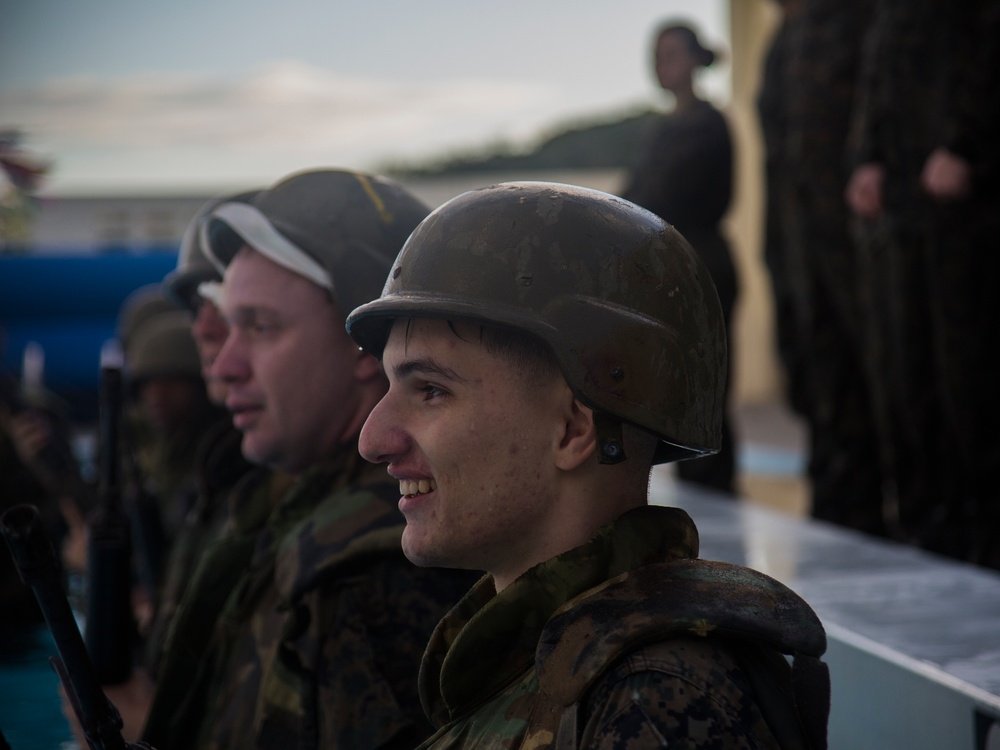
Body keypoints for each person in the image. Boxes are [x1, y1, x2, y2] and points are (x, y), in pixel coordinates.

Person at [348, 182, 830, 749]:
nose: (373, 439)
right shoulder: (543, 666)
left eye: (430, 390)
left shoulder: (656, 703)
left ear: (574, 429)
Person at [140, 168, 478, 750]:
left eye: (262, 328)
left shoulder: (384, 572)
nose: (223, 368)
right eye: (229, 329)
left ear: (365, 349)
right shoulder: (284, 510)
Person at [845, 0, 1000, 567]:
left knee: (972, 385)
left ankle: (984, 543)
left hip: (967, 213)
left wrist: (966, 146)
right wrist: (867, 158)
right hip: (904, 215)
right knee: (909, 380)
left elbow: (986, 60)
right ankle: (928, 537)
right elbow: (877, 81)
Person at [756, 0, 886, 537]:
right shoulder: (785, 39)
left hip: (856, 241)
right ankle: (839, 505)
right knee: (817, 371)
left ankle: (890, 509)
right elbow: (777, 156)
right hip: (799, 240)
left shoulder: (859, 16)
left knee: (875, 375)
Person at [620, 21, 739, 494]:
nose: (661, 62)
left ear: (695, 59)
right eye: (656, 53)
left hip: (703, 265)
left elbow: (663, 195)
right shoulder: (661, 128)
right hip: (673, 269)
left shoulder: (706, 123)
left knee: (704, 392)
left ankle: (714, 495)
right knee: (679, 392)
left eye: (671, 52)